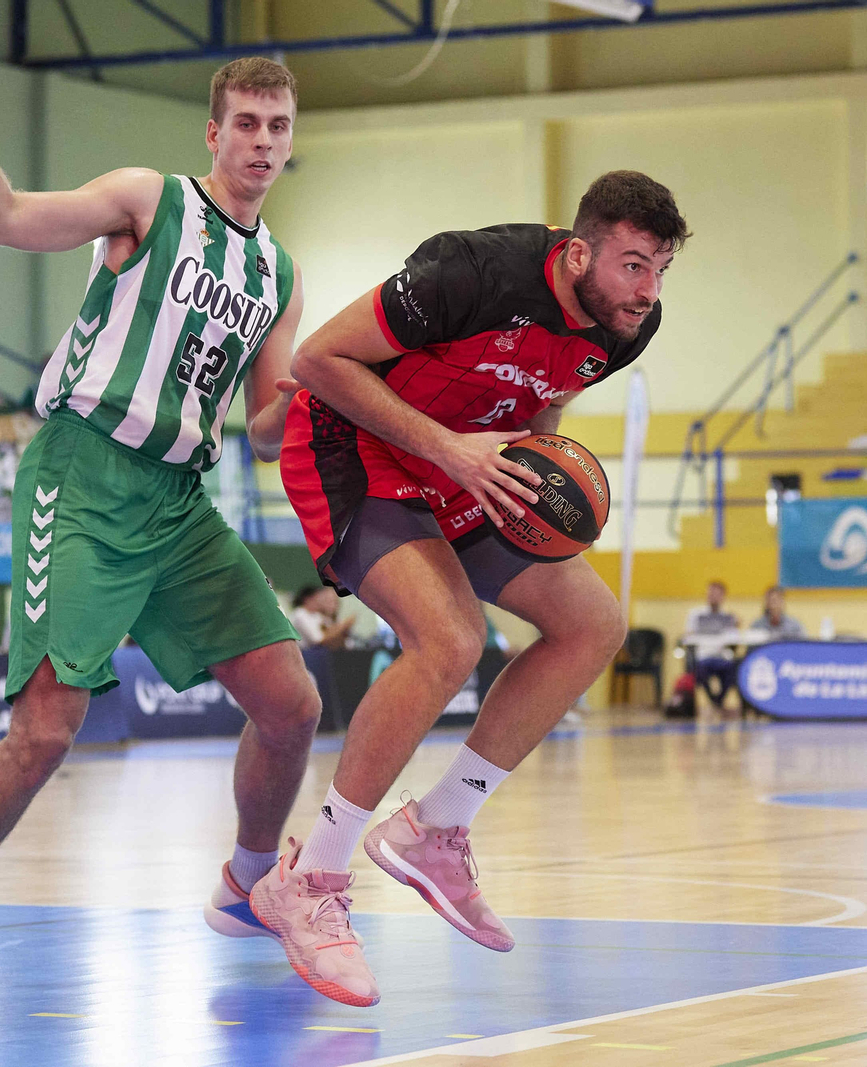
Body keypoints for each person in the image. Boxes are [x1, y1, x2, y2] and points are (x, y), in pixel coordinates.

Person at [0, 28, 321, 1000]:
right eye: (245, 122)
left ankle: (249, 883)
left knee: (291, 702)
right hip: (80, 473)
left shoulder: (279, 275)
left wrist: (300, 401)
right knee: (47, 727)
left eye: (277, 126)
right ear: (214, 131)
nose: (260, 140)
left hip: (179, 498)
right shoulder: (148, 199)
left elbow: (258, 427)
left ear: (291, 143)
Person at [271, 170, 690, 1005]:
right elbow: (319, 360)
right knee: (451, 640)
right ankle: (309, 878)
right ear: (578, 254)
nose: (646, 291)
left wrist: (536, 478)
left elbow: (549, 393)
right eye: (633, 265)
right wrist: (454, 451)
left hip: (472, 460)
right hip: (354, 444)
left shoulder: (624, 329)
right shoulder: (473, 273)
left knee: (592, 624)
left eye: (661, 271)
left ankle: (439, 826)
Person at [685, 579, 740, 710]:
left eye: (717, 594)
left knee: (733, 668)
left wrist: (736, 625)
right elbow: (688, 635)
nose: (713, 597)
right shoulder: (696, 614)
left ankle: (718, 701)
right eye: (711, 593)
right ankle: (714, 700)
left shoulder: (729, 616)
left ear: (723, 597)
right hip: (702, 656)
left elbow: (734, 639)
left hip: (722, 656)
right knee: (701, 669)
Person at [290, 585, 355, 649]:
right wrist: (343, 626)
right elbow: (318, 640)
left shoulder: (316, 616)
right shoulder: (300, 614)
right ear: (308, 599)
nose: (319, 601)